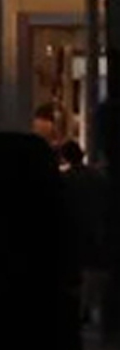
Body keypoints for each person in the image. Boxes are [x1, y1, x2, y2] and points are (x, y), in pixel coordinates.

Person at [58, 139, 110, 331]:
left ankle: (80, 309)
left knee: (76, 270)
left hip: (74, 228)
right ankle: (90, 307)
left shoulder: (65, 179)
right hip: (94, 228)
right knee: (92, 270)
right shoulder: (98, 177)